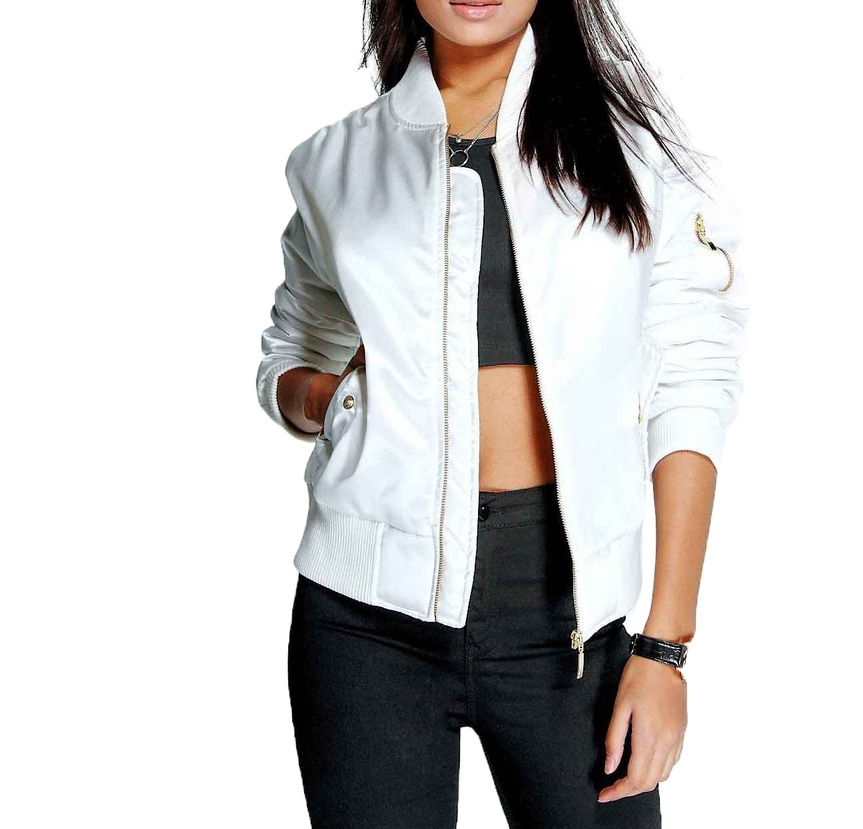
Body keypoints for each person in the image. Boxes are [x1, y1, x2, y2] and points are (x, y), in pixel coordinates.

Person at [255, 1, 748, 826]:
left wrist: (665, 646)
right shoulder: (336, 162)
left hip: (567, 617)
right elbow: (290, 350)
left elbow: (692, 377)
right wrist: (328, 396)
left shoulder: (630, 148)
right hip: (365, 621)